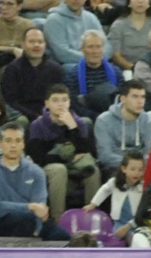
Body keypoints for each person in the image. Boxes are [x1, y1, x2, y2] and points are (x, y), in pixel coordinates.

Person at [0, 122, 66, 240]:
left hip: (34, 222)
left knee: (65, 239)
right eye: (8, 141)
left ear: (23, 144)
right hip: (0, 222)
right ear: (0, 143)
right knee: (26, 218)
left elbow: (40, 209)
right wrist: (29, 207)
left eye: (18, 141)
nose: (13, 145)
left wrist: (37, 229)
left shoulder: (36, 171)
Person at [27, 84, 99, 215]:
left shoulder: (80, 123)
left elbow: (87, 152)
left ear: (70, 102)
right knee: (59, 170)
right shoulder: (37, 125)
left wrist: (72, 127)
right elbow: (38, 159)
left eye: (64, 100)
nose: (60, 104)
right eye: (55, 100)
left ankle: (91, 216)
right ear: (47, 103)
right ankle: (57, 218)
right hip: (49, 168)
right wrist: (63, 157)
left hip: (74, 167)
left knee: (93, 170)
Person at [95, 79, 151, 170]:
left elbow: (149, 152)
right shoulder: (104, 120)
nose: (140, 102)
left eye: (143, 97)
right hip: (116, 167)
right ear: (123, 99)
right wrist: (132, 165)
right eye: (135, 97)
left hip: (142, 167)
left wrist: (137, 166)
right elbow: (105, 155)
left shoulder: (149, 121)